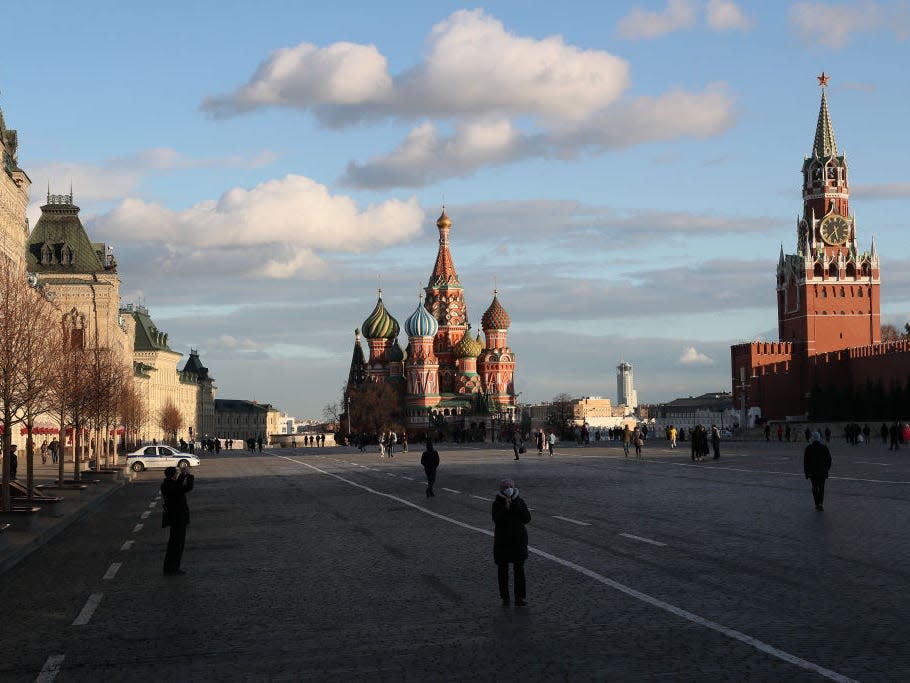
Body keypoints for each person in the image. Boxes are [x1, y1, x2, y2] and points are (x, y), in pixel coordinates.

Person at [492, 479, 531, 607]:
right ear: (501, 490)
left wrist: (515, 505)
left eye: (510, 486)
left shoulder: (520, 501)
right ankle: (505, 597)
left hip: (518, 541)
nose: (508, 489)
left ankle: (519, 597)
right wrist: (505, 508)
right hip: (502, 542)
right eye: (506, 487)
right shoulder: (497, 503)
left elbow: (527, 518)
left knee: (519, 570)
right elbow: (497, 520)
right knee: (502, 570)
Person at [161, 464, 195, 575]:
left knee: (174, 543)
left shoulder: (167, 484)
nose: (177, 474)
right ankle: (173, 568)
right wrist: (188, 475)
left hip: (175, 517)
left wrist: (183, 474)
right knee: (177, 544)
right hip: (178, 518)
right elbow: (186, 488)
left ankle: (170, 567)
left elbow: (177, 485)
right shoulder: (170, 486)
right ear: (172, 476)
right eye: (176, 473)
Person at [803, 431, 832, 511]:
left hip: (813, 472)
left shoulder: (808, 448)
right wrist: (826, 469)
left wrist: (806, 473)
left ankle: (816, 503)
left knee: (815, 487)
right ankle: (820, 503)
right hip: (822, 472)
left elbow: (806, 462)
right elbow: (829, 460)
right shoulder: (824, 447)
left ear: (812, 438)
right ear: (819, 438)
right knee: (821, 487)